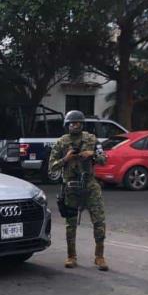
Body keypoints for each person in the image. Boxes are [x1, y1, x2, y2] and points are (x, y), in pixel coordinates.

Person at [47, 110, 109, 271]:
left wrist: (92, 154)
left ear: (82, 124)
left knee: (99, 221)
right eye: (72, 123)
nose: (75, 125)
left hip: (90, 185)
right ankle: (71, 256)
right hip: (71, 187)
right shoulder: (61, 142)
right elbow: (51, 167)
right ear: (67, 125)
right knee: (71, 224)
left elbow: (104, 159)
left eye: (78, 123)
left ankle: (99, 256)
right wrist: (65, 159)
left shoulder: (92, 139)